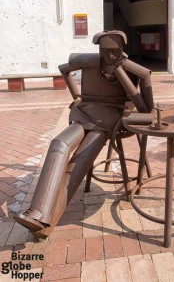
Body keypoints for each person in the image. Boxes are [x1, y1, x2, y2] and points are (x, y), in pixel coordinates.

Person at [14, 30, 154, 238]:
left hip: (110, 118)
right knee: (59, 143)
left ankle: (45, 221)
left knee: (81, 158)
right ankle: (37, 211)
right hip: (85, 112)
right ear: (99, 48)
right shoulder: (89, 61)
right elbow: (64, 69)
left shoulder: (130, 68)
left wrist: (121, 70)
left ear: (122, 49)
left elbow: (145, 109)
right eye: (105, 50)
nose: (110, 55)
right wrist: (77, 96)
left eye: (115, 50)